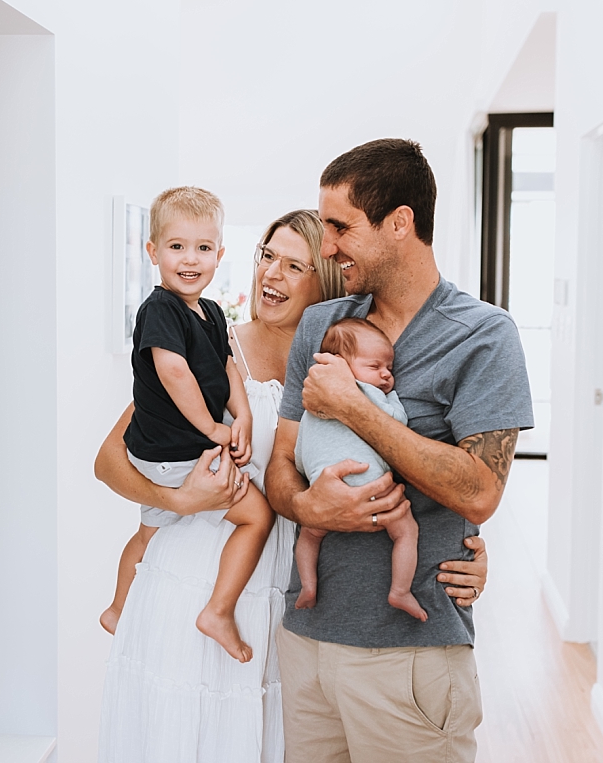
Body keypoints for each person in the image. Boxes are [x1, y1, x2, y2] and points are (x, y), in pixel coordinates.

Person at [95, 209, 491, 763]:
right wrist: (178, 499)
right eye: (266, 256)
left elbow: (402, 463)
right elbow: (109, 460)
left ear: (323, 282)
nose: (270, 274)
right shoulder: (213, 347)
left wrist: (466, 550)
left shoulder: (356, 366)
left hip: (292, 599)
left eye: (294, 265)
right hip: (198, 583)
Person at [266, 139, 533, 763]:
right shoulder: (322, 327)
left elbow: (479, 493)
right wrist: (307, 508)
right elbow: (282, 461)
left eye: (341, 228)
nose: (327, 247)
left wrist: (355, 406)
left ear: (400, 223)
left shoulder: (484, 336)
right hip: (307, 643)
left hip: (413, 656)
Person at [101, 186, 273, 663]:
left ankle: (117, 609)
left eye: (203, 247)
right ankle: (218, 611)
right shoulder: (160, 309)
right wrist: (214, 430)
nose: (191, 259)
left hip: (163, 452)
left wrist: (243, 414)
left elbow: (227, 367)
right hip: (171, 454)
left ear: (220, 254)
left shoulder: (212, 312)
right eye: (177, 246)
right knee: (257, 517)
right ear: (153, 251)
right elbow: (174, 371)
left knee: (148, 534)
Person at [293, 317, 425, 622]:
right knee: (406, 531)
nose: (385, 374)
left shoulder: (311, 407)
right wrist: (391, 398)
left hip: (322, 488)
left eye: (389, 367)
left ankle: (308, 586)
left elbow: (299, 454)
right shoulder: (365, 392)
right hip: (370, 485)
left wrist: (313, 477)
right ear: (340, 366)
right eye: (374, 366)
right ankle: (400, 590)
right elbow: (397, 423)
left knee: (310, 535)